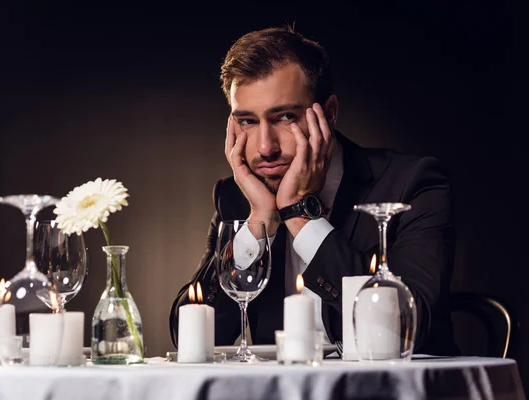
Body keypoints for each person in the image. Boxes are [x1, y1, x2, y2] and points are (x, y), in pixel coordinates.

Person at [169, 25, 458, 356]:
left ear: (329, 114)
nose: (265, 148)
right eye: (248, 121)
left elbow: (409, 329)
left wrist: (297, 214)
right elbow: (188, 337)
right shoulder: (238, 198)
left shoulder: (412, 184)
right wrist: (259, 222)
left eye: (286, 117)